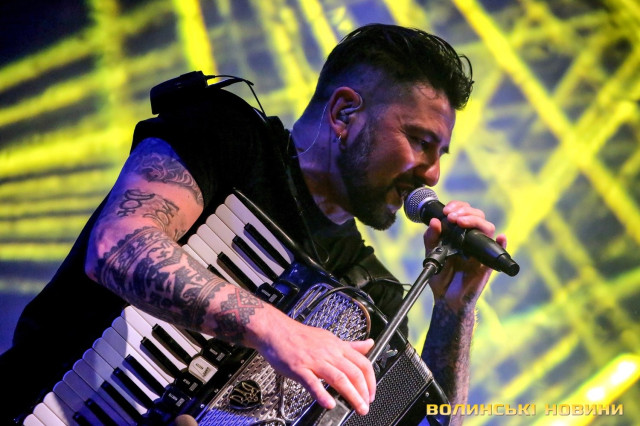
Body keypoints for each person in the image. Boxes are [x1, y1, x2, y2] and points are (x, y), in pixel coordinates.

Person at [0, 23, 506, 425]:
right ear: (345, 113)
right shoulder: (228, 134)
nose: (432, 173)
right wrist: (275, 330)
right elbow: (118, 245)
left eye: (440, 153)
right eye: (419, 141)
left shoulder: (372, 297)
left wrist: (455, 311)